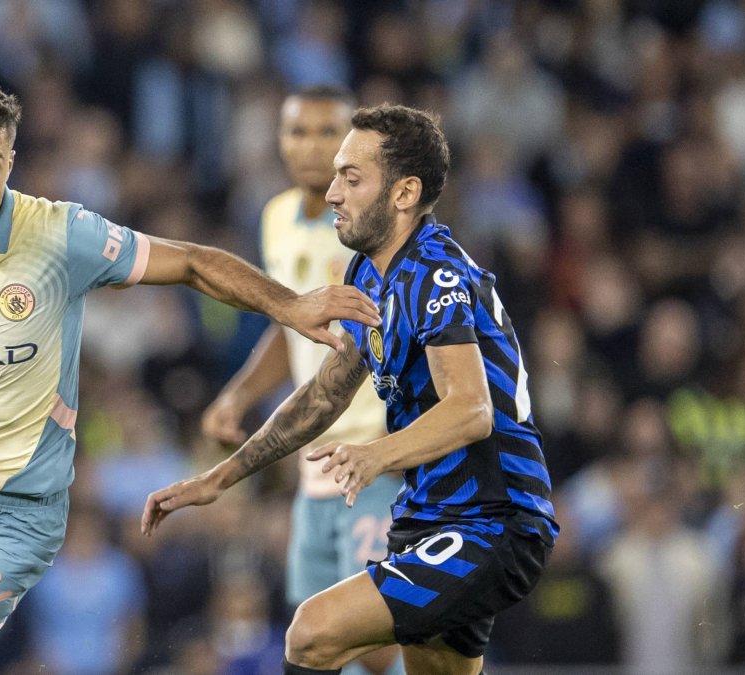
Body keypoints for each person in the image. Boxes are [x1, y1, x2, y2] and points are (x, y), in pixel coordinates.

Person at [0, 78, 379, 675]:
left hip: (9, 521)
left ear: (10, 162)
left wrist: (290, 305)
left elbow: (191, 263)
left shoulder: (58, 233)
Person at [143, 104, 558, 675]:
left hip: (492, 521)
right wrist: (221, 478)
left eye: (351, 178)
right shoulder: (369, 274)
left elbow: (471, 409)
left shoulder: (435, 275)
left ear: (404, 192)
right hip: (432, 515)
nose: (333, 192)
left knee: (312, 634)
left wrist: (373, 455)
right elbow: (323, 396)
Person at [200, 85, 402, 675]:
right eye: (298, 131)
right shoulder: (276, 218)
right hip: (311, 466)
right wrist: (238, 394)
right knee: (314, 641)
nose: (312, 147)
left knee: (378, 636)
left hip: (374, 459)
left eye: (327, 132)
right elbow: (292, 323)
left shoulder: (375, 229)